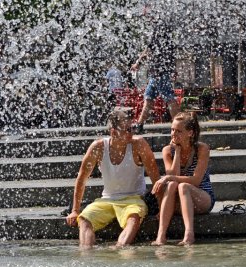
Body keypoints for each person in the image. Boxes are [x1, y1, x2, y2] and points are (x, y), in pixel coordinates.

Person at [65, 109, 160, 249]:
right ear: (114, 132)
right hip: (107, 199)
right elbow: (82, 178)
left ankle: (119, 248)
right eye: (127, 129)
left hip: (134, 199)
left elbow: (156, 179)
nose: (132, 132)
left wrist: (161, 209)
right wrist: (75, 210)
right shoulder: (98, 147)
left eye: (132, 128)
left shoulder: (139, 144)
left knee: (133, 219)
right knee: (84, 219)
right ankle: (86, 254)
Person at [150, 112, 215, 246]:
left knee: (183, 186)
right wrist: (177, 153)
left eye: (178, 131)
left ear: (190, 133)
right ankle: (161, 236)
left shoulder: (202, 149)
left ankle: (189, 234)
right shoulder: (168, 150)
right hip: (178, 202)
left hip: (201, 198)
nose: (173, 134)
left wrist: (168, 177)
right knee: (174, 184)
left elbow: (196, 181)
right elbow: (172, 177)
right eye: (172, 129)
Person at [130, 9, 179, 134]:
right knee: (149, 99)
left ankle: (179, 126)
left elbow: (148, 49)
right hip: (157, 73)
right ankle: (140, 125)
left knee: (169, 99)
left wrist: (137, 63)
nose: (146, 18)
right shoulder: (165, 31)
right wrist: (173, 69)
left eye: (147, 15)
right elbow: (171, 52)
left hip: (159, 73)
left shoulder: (159, 29)